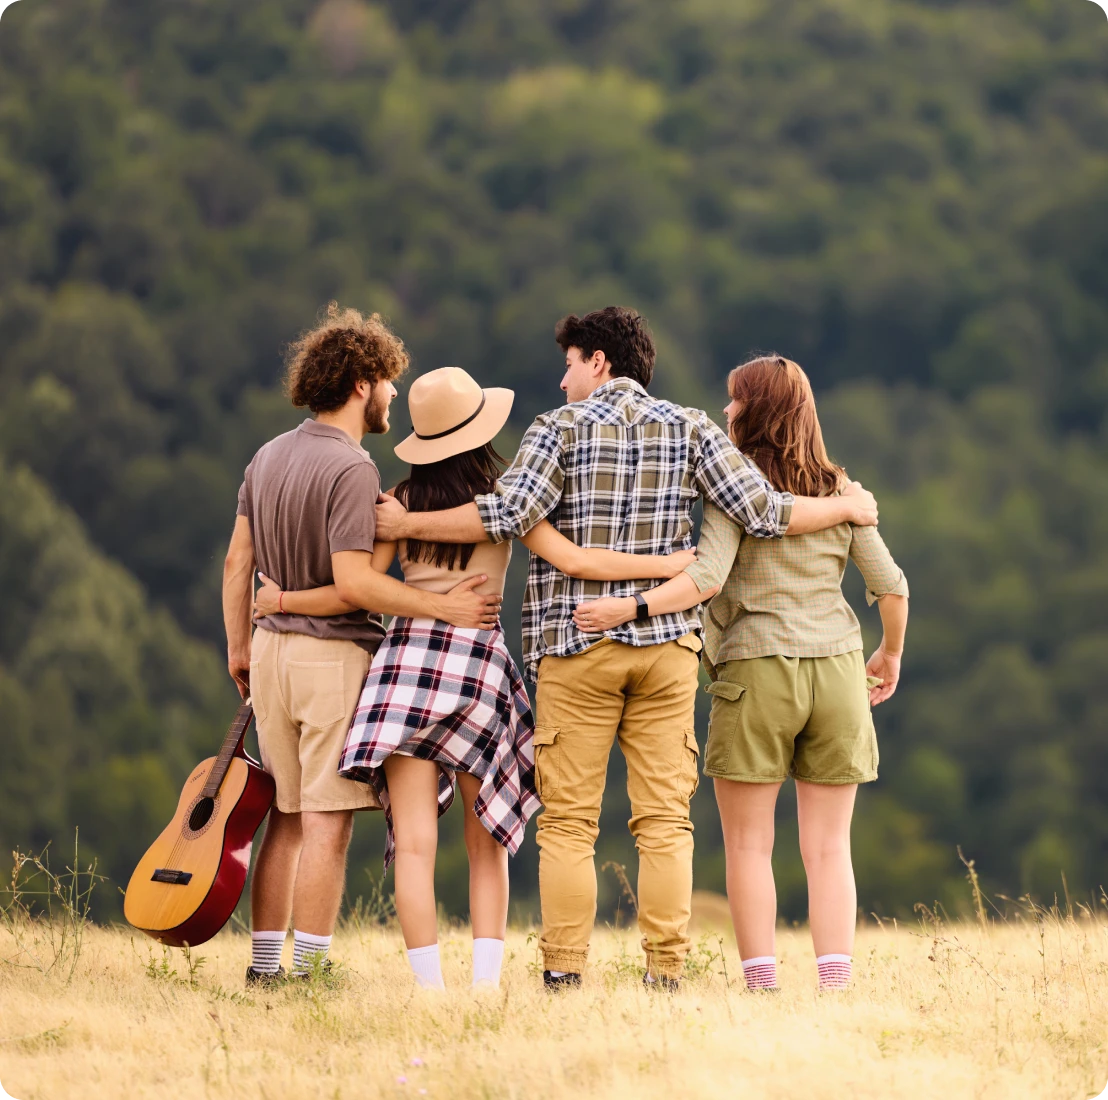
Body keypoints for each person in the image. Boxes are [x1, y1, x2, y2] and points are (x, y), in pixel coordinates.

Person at [375, 307, 880, 989]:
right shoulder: (694, 427)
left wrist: (409, 521)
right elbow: (765, 509)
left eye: (570, 363)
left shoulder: (555, 431)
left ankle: (564, 974)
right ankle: (666, 974)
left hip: (576, 641)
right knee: (666, 822)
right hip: (667, 648)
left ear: (600, 363)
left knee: (570, 825)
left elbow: (506, 514)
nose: (561, 382)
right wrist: (849, 507)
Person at [254, 366, 695, 990]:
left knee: (413, 845)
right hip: (479, 673)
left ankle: (429, 991)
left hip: (406, 672)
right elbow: (576, 560)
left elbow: (361, 591)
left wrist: (285, 602)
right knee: (487, 838)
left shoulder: (398, 503)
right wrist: (669, 565)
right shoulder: (507, 499)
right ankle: (484, 987)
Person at [575, 355, 908, 993]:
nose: (725, 411)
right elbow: (892, 589)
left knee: (750, 845)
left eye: (735, 402)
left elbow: (704, 580)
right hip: (838, 674)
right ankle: (835, 986)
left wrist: (633, 606)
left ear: (755, 413)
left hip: (755, 673)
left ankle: (762, 984)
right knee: (829, 846)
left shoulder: (733, 490)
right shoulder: (844, 492)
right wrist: (889, 653)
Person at [222, 307, 502, 985]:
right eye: (387, 383)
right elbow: (356, 585)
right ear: (360, 384)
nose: (392, 397)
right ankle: (310, 973)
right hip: (329, 659)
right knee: (327, 823)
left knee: (284, 817)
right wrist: (443, 606)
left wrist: (240, 646)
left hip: (269, 654)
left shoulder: (267, 457)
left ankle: (264, 968)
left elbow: (237, 563)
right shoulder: (351, 471)